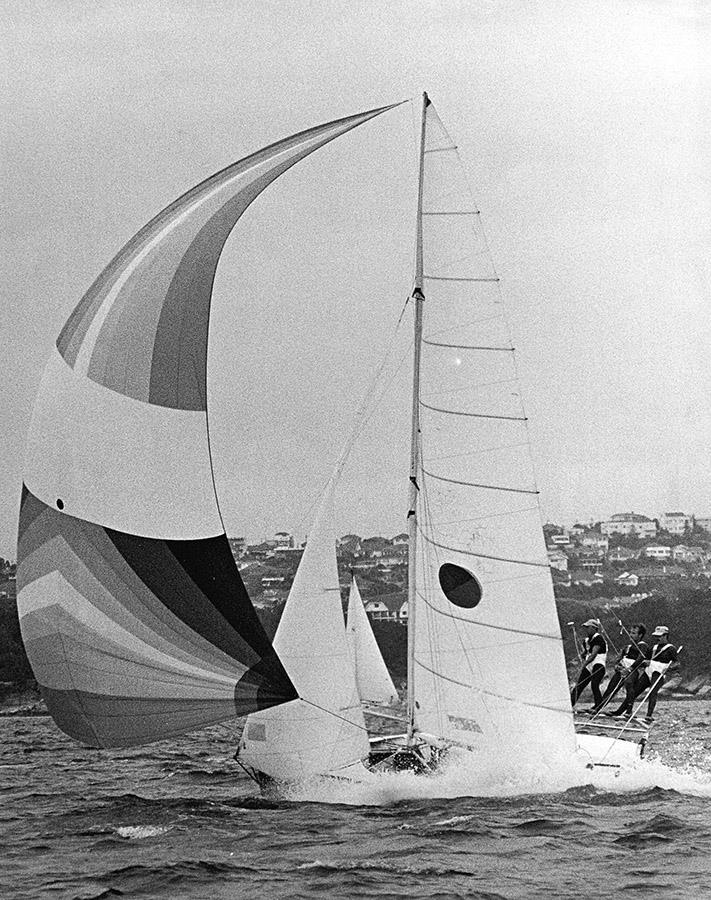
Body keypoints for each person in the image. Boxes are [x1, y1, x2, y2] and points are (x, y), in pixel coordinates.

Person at [631, 625, 680, 722]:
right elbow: (646, 659)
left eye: (660, 636)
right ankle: (626, 712)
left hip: (659, 673)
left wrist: (669, 668)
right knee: (635, 690)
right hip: (649, 671)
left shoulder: (671, 648)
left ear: (665, 636)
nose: (657, 638)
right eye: (656, 636)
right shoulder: (653, 647)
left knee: (652, 692)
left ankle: (649, 715)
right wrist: (644, 662)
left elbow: (677, 664)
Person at [598, 624, 648, 715]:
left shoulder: (642, 645)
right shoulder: (627, 647)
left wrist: (630, 669)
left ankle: (628, 711)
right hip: (622, 669)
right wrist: (617, 666)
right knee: (611, 687)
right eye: (630, 632)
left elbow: (641, 658)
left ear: (640, 635)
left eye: (633, 633)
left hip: (634, 670)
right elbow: (619, 659)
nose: (630, 635)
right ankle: (598, 708)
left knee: (629, 684)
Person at [570, 619, 607, 709]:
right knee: (579, 685)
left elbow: (593, 654)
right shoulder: (586, 640)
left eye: (588, 627)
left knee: (594, 684)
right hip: (589, 665)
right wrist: (576, 659)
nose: (586, 629)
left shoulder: (598, 638)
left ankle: (598, 705)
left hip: (598, 664)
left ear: (594, 628)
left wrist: (584, 664)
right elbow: (586, 653)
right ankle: (570, 704)